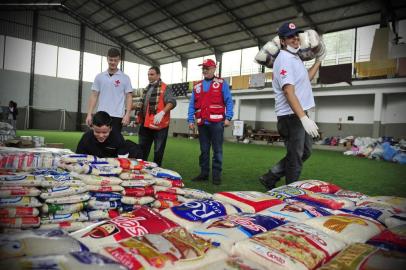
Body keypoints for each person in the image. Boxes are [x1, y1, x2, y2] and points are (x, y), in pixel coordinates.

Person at [259, 22, 324, 190]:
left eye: (296, 35)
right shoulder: (284, 60)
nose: (295, 38)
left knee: (305, 152)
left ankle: (271, 176)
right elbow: (289, 91)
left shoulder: (295, 57)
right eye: (290, 36)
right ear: (282, 41)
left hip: (298, 113)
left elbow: (305, 80)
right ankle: (290, 193)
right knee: (296, 157)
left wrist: (318, 61)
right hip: (291, 116)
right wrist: (303, 118)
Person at [188, 59, 234, 185]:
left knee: (217, 150)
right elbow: (192, 104)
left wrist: (228, 117)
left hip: (217, 123)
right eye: (203, 68)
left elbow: (229, 101)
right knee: (204, 150)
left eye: (207, 68)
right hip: (202, 123)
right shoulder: (197, 86)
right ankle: (204, 173)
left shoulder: (221, 83)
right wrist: (190, 119)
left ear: (214, 69)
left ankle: (216, 175)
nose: (205, 70)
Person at [134, 66, 176, 167]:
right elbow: (142, 105)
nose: (149, 76)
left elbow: (172, 102)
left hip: (159, 126)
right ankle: (141, 169)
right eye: (148, 74)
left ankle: (156, 170)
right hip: (145, 125)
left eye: (152, 74)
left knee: (158, 151)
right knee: (142, 149)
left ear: (158, 75)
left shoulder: (165, 88)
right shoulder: (146, 89)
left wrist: (162, 113)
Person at [86, 48, 133, 133]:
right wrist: (89, 114)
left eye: (115, 60)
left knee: (114, 143)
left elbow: (129, 97)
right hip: (101, 115)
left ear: (119, 60)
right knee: (99, 140)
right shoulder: (99, 77)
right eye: (111, 60)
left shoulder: (125, 78)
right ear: (107, 59)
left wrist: (127, 114)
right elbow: (94, 95)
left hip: (117, 116)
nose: (113, 62)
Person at [77, 111, 142, 158]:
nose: (101, 136)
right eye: (97, 132)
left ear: (110, 128)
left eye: (105, 132)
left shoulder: (118, 138)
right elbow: (78, 157)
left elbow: (124, 160)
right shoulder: (86, 138)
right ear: (92, 128)